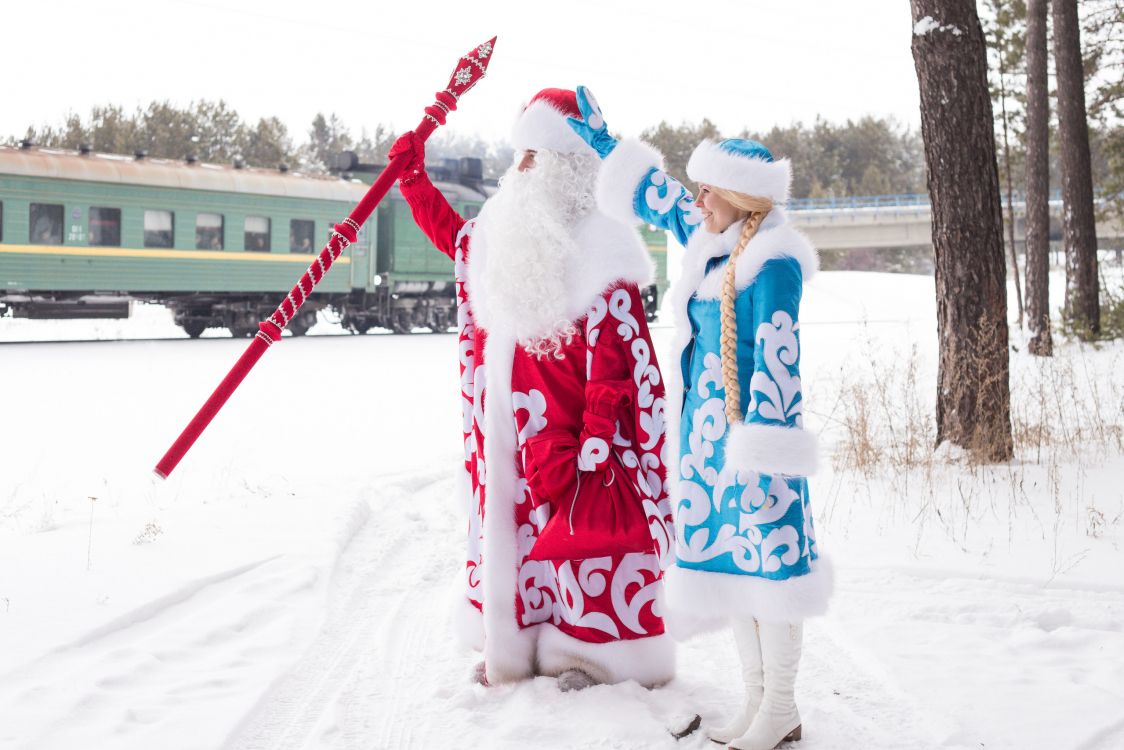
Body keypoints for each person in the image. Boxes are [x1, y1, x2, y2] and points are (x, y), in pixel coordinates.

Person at [387, 88, 675, 690]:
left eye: (532, 156)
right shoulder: (506, 229)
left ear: (567, 167)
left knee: (582, 539)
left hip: (574, 433)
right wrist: (414, 182)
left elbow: (619, 355)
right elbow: (456, 240)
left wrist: (596, 434)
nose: (517, 169)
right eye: (518, 154)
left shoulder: (603, 246)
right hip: (511, 428)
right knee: (516, 536)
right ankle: (515, 646)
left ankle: (592, 657)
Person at [570, 87, 831, 749]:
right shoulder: (712, 239)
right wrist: (604, 142)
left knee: (772, 571)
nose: (697, 199)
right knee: (735, 573)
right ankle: (758, 704)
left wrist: (762, 456)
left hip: (754, 445)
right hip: (708, 445)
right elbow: (657, 196)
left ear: (741, 197)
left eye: (708, 190)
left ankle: (781, 706)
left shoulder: (772, 260)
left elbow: (778, 362)